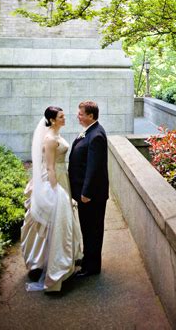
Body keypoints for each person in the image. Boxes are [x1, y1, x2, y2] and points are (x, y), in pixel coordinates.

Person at [21, 106, 82, 292]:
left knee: (62, 220)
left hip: (63, 177)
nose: (65, 118)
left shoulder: (56, 134)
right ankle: (41, 262)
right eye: (61, 116)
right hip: (54, 181)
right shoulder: (49, 139)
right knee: (51, 220)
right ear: (53, 119)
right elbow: (49, 167)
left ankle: (63, 258)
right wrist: (55, 191)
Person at [68, 100, 109, 277]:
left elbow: (94, 168)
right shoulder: (89, 131)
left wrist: (86, 192)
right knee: (87, 229)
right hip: (86, 194)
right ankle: (87, 260)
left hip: (91, 196)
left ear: (90, 116)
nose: (78, 116)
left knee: (93, 231)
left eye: (81, 113)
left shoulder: (97, 135)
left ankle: (92, 268)